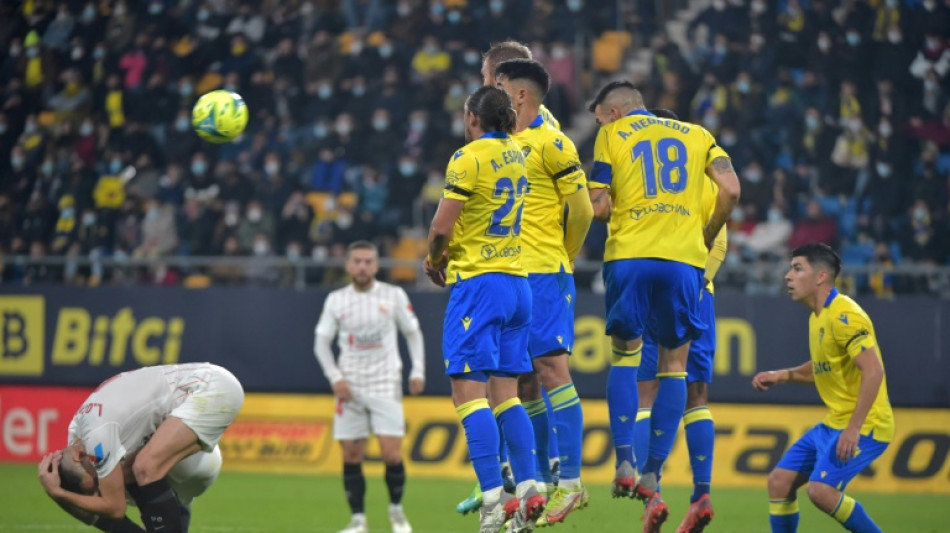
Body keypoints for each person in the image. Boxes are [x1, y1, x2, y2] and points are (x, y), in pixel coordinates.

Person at [587, 81, 740, 532]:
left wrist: (617, 206)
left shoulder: (613, 136)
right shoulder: (697, 137)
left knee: (629, 363)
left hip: (631, 257)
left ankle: (626, 464)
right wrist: (706, 234)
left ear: (613, 114)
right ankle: (665, 473)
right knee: (682, 374)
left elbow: (597, 208)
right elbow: (731, 190)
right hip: (687, 270)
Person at [423, 86, 543, 533]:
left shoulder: (467, 157)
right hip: (518, 283)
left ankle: (494, 501)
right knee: (506, 395)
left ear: (473, 118)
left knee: (468, 395)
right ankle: (529, 490)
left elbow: (441, 226)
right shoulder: (518, 154)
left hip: (480, 285)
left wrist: (434, 259)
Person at [494, 58, 593, 527]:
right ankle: (536, 483)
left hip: (545, 273)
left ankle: (571, 483)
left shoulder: (553, 142)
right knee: (522, 377)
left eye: (497, 85)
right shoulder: (499, 144)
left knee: (552, 369)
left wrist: (565, 256)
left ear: (519, 95)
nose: (490, 92)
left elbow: (584, 210)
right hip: (508, 276)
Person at [626, 109, 727, 533]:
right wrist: (703, 277)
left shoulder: (651, 177)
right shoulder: (703, 176)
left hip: (658, 287)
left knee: (647, 392)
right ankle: (702, 494)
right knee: (696, 395)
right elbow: (720, 233)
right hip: (700, 290)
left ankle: (654, 494)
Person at [753, 243, 893, 533]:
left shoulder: (846, 315)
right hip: (834, 423)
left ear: (821, 276)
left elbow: (874, 370)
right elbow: (822, 367)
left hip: (867, 425)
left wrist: (853, 429)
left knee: (820, 491)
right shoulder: (817, 316)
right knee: (779, 482)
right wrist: (780, 375)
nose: (787, 276)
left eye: (797, 268)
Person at [37, 363, 245, 533]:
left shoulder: (96, 437)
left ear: (78, 456)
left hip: (212, 388)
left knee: (145, 467)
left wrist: (60, 494)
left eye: (95, 478)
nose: (101, 479)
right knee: (128, 474)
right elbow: (101, 506)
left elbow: (116, 508)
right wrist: (57, 493)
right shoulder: (78, 437)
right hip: (192, 463)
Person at [314, 240, 425, 533]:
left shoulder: (393, 295)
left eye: (368, 262)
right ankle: (358, 521)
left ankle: (397, 512)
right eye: (357, 261)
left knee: (391, 453)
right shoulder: (336, 300)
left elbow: (413, 333)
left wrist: (418, 370)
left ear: (376, 265)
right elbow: (321, 342)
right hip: (349, 384)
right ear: (348, 265)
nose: (363, 266)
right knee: (351, 453)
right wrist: (335, 377)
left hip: (385, 382)